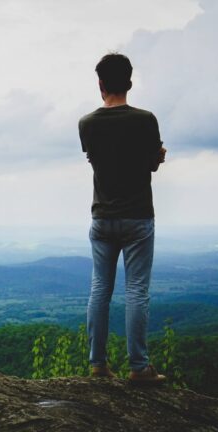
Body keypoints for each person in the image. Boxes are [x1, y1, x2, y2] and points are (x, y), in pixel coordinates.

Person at [78, 52, 167, 384]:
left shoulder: (86, 124)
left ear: (100, 84)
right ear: (129, 82)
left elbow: (99, 161)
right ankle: (139, 366)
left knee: (100, 288)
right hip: (138, 218)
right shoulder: (146, 120)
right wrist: (154, 159)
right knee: (137, 290)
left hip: (101, 217)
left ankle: (98, 363)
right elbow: (150, 164)